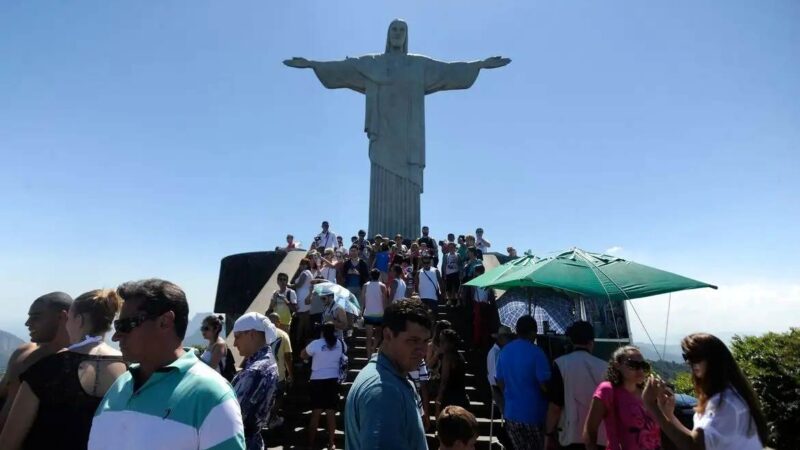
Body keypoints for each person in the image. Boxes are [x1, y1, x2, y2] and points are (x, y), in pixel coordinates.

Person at [89, 279, 245, 450]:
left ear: (165, 322)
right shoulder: (119, 386)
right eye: (117, 326)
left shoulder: (212, 396)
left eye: (125, 325)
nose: (116, 336)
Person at [0, 289, 126, 450]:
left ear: (78, 320)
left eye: (69, 319)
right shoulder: (131, 369)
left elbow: (8, 443)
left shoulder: (45, 369)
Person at [642, 333, 768, 450]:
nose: (690, 363)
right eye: (687, 357)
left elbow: (694, 446)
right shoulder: (729, 395)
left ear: (715, 360)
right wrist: (670, 416)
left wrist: (651, 405)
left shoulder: (724, 403)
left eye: (695, 357)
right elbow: (697, 439)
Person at [345, 299, 432, 450]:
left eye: (425, 341)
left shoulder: (393, 379)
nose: (422, 351)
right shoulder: (383, 390)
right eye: (413, 341)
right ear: (388, 335)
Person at [0, 291, 72, 432]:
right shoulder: (22, 353)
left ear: (61, 317)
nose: (28, 323)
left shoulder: (74, 364)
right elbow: (3, 391)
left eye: (36, 317)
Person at [544, 321, 607, 450]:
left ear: (571, 341)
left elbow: (555, 407)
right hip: (600, 436)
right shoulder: (605, 367)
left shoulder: (561, 364)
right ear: (592, 342)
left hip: (571, 434)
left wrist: (548, 434)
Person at [583, 346, 660, 450]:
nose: (640, 370)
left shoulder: (647, 394)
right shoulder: (607, 390)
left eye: (644, 366)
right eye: (633, 365)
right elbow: (590, 430)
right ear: (617, 365)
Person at [495, 315, 551, 450]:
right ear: (532, 333)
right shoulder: (537, 353)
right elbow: (545, 385)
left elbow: (500, 380)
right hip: (534, 415)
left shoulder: (504, 352)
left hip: (511, 414)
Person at [231, 312, 279, 450]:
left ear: (251, 334)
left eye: (237, 337)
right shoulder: (264, 362)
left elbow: (232, 413)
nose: (234, 343)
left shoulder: (256, 370)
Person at [301, 322, 346, 450]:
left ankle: (310, 444)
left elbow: (303, 354)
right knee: (331, 413)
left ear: (322, 331)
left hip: (317, 380)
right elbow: (344, 353)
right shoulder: (340, 343)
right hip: (333, 380)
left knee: (316, 413)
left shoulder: (316, 343)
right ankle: (331, 443)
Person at [266, 313, 293, 430]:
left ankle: (265, 418)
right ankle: (272, 418)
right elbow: (288, 357)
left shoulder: (262, 334)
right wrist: (291, 374)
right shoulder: (283, 335)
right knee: (279, 397)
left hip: (264, 373)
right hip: (279, 374)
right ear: (278, 322)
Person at [435, 329, 470, 416]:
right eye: (440, 341)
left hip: (450, 398)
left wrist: (439, 399)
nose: (440, 344)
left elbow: (444, 380)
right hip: (461, 396)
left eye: (443, 341)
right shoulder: (460, 356)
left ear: (451, 343)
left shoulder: (448, 357)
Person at [361, 268, 389, 358]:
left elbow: (362, 300)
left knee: (368, 337)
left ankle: (369, 355)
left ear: (370, 275)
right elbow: (385, 301)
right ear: (379, 275)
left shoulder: (365, 285)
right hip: (379, 314)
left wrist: (361, 311)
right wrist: (385, 312)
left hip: (368, 313)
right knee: (378, 334)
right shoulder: (382, 286)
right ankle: (373, 348)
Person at [486, 325, 514, 413]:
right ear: (501, 338)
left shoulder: (503, 351)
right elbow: (496, 378)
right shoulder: (495, 353)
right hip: (498, 389)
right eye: (508, 338)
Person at [291, 258, 315, 350]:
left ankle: (298, 341)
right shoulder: (310, 273)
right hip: (306, 297)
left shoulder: (305, 273)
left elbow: (299, 284)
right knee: (305, 320)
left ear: (305, 265)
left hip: (302, 296)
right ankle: (304, 341)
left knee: (301, 320)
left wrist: (289, 285)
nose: (300, 266)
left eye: (302, 264)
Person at [471, 265, 495, 348]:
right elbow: (490, 293)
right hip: (485, 304)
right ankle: (485, 342)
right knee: (485, 325)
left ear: (477, 272)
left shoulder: (476, 280)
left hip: (478, 304)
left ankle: (477, 342)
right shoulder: (488, 280)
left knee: (477, 325)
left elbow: (474, 293)